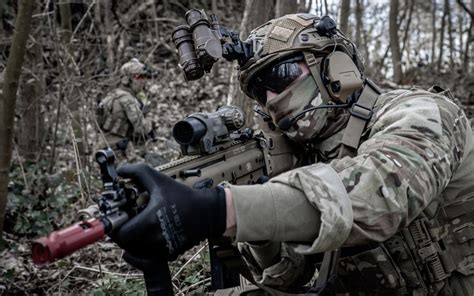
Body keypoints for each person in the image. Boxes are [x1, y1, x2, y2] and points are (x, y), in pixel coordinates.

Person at [109, 14, 474, 295]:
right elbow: (285, 276)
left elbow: (379, 195)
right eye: (257, 91)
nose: (269, 100)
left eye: (279, 75)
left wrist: (221, 209)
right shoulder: (304, 154)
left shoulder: (421, 112)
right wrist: (259, 202)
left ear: (334, 66)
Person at [97, 58, 154, 159]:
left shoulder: (113, 94)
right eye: (139, 77)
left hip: (103, 148)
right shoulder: (128, 100)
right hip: (118, 151)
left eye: (144, 77)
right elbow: (142, 130)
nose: (143, 81)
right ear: (127, 80)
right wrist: (148, 114)